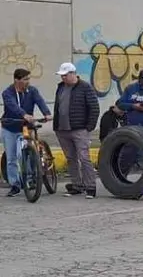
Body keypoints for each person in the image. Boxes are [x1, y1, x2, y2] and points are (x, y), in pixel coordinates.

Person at [1, 68, 52, 197]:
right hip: (10, 127)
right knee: (12, 158)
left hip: (27, 127)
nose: (28, 81)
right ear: (16, 80)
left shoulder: (32, 91)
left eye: (29, 79)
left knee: (30, 154)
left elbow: (40, 101)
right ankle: (15, 185)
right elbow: (12, 105)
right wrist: (24, 114)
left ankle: (31, 179)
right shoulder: (7, 93)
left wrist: (47, 113)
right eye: (25, 79)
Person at [53, 63, 100, 198]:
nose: (63, 78)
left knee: (84, 158)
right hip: (62, 129)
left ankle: (90, 186)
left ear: (73, 74)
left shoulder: (85, 87)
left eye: (65, 75)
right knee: (70, 158)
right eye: (62, 76)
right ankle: (76, 185)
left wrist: (88, 127)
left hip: (79, 129)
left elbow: (94, 108)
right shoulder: (60, 87)